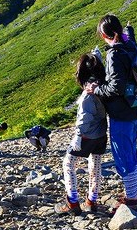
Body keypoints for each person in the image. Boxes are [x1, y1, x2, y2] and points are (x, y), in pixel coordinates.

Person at [85, 14, 137, 212]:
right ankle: (133, 195)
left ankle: (132, 200)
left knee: (123, 155)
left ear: (104, 34)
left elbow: (116, 87)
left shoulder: (115, 53)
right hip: (136, 108)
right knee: (131, 151)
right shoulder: (130, 46)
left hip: (122, 113)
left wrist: (96, 89)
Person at [55, 53, 108, 216]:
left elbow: (84, 119)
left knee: (68, 163)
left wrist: (78, 136)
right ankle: (91, 201)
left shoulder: (87, 93)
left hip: (86, 136)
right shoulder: (103, 86)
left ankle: (72, 202)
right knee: (96, 164)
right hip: (101, 135)